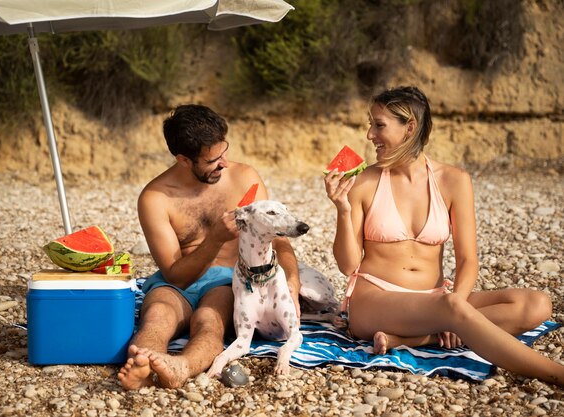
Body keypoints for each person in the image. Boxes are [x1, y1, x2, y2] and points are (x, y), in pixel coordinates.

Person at [324, 86, 563, 387]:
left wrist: (457, 300)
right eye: (370, 125)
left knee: (536, 304)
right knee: (452, 309)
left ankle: (419, 338)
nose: (370, 135)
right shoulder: (364, 182)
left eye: (379, 125)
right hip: (374, 300)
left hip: (436, 299)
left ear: (409, 127)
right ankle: (556, 374)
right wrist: (342, 210)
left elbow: (467, 259)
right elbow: (348, 266)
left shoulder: (454, 180)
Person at [118, 104, 301, 390]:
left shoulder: (244, 177)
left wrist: (292, 280)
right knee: (156, 317)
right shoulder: (155, 198)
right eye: (213, 160)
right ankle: (142, 363)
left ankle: (181, 367)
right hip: (176, 281)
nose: (224, 163)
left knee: (208, 321)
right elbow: (176, 275)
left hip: (227, 280)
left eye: (224, 152)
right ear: (183, 160)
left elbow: (278, 238)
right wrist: (215, 238)